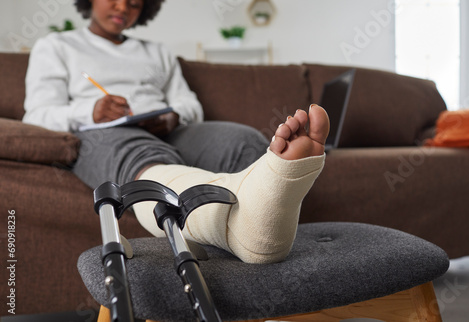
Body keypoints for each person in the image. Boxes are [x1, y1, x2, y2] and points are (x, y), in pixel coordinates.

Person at [23, 0, 330, 264]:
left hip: (168, 131)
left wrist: (173, 116)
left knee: (242, 140)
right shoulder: (56, 46)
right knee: (141, 152)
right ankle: (248, 232)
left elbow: (188, 103)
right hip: (104, 136)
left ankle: (259, 210)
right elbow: (37, 115)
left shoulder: (156, 52)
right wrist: (90, 111)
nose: (123, 7)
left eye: (135, 3)